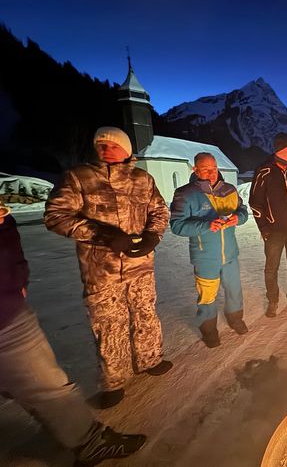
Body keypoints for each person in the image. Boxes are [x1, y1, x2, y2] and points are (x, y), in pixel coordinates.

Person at [0, 202, 146, 466]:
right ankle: (89, 440)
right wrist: (103, 234)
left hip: (7, 306)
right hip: (97, 274)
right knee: (44, 383)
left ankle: (68, 431)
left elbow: (8, 234)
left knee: (34, 383)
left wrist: (18, 276)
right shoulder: (78, 183)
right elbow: (57, 216)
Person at [44, 126, 172, 409]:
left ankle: (150, 358)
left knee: (145, 313)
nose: (105, 148)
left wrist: (153, 235)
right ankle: (114, 380)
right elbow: (56, 216)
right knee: (108, 324)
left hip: (140, 264)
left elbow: (160, 211)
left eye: (112, 145)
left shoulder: (142, 179)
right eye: (100, 144)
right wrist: (102, 234)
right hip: (101, 269)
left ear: (126, 150)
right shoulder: (79, 177)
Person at [170, 152, 249, 348]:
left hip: (230, 254)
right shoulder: (185, 194)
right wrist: (206, 225)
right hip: (205, 257)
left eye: (214, 169)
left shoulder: (229, 190)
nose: (211, 173)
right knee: (207, 295)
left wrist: (238, 218)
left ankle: (235, 318)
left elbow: (243, 211)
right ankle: (209, 330)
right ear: (195, 170)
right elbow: (177, 226)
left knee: (234, 290)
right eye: (205, 169)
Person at [249, 133, 287, 317]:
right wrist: (264, 227)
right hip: (274, 231)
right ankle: (273, 300)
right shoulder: (264, 171)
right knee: (271, 268)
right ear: (281, 149)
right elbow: (255, 202)